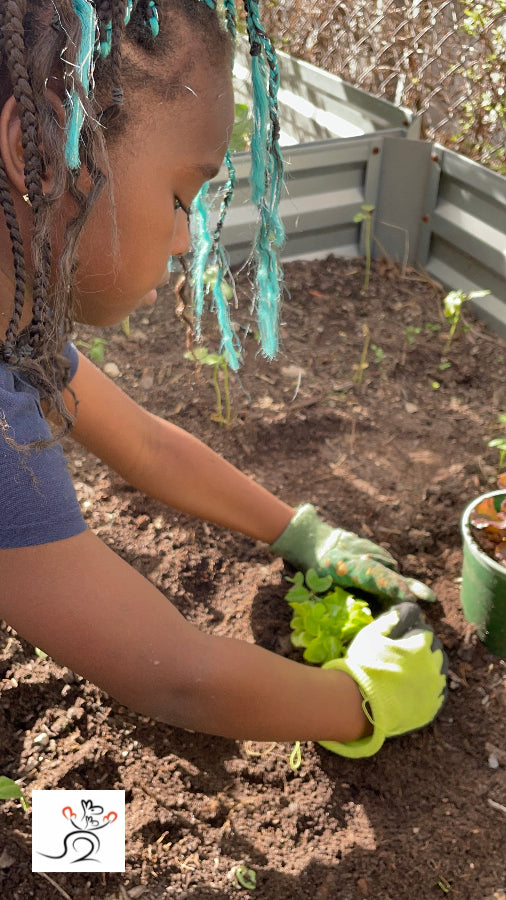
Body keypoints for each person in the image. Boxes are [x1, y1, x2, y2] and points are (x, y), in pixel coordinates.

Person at [0, 0, 446, 760]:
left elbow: (142, 443)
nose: (186, 238)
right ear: (41, 154)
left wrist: (298, 532)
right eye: (182, 196)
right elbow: (173, 676)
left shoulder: (17, 330)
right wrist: (361, 701)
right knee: (58, 851)